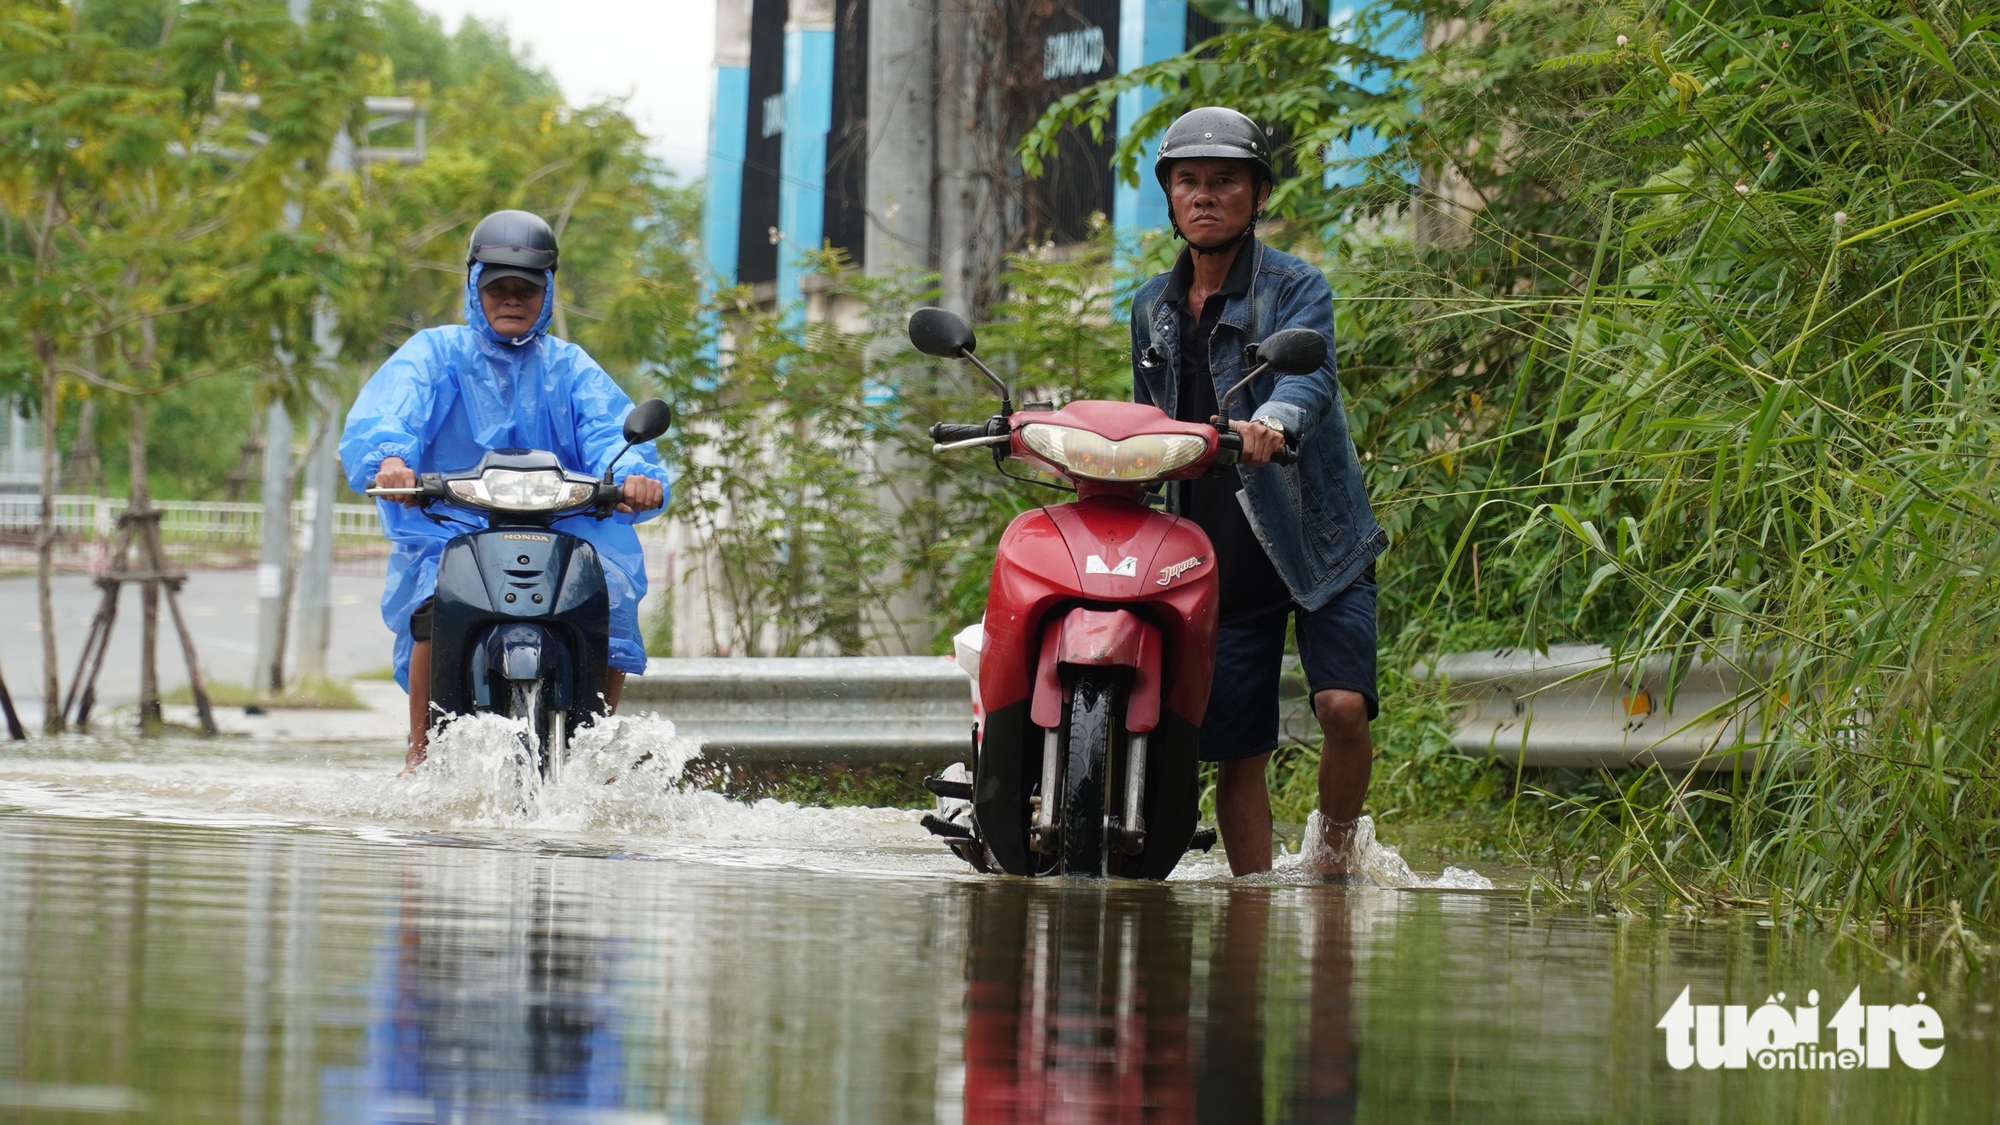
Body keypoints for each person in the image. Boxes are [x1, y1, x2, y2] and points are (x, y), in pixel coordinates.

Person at [1129, 107, 1387, 877]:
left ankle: (1335, 860)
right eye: (1188, 182)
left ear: (1259, 193)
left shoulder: (1296, 287)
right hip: (1217, 549)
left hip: (1316, 537)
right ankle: (1256, 904)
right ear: (1170, 198)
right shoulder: (1150, 305)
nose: (1204, 196)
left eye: (1224, 181)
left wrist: (1269, 421)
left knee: (1341, 706)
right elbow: (1148, 413)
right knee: (1238, 751)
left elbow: (1310, 375)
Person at [339, 209, 670, 769]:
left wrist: (639, 476)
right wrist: (391, 461)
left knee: (608, 596)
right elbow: (389, 414)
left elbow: (609, 428)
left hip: (564, 523)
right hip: (452, 522)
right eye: (498, 288)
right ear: (475, 289)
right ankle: (419, 754)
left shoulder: (570, 366)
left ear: (548, 293)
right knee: (431, 603)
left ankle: (595, 758)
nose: (512, 299)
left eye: (526, 289)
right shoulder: (435, 354)